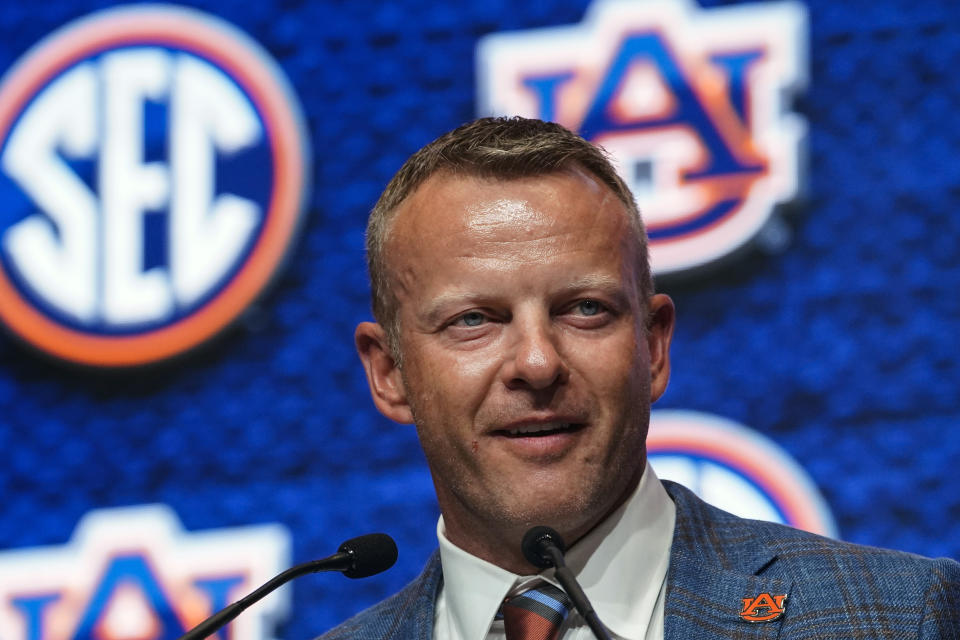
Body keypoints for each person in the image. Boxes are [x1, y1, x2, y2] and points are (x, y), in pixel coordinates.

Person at [320, 117, 960, 639]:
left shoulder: (899, 617)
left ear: (653, 346)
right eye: (474, 320)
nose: (538, 363)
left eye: (585, 309)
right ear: (389, 372)